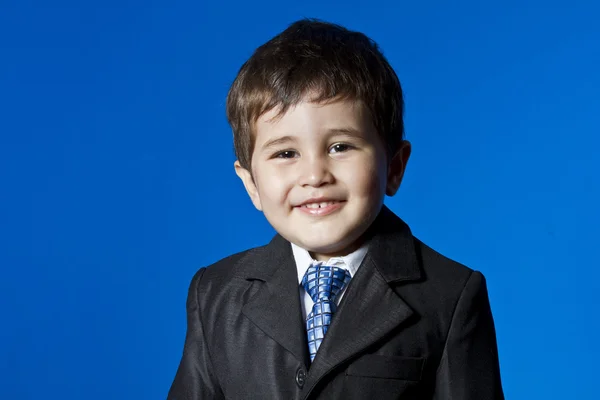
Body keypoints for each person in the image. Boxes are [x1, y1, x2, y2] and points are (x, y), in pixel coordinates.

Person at [168, 19, 504, 400]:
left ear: (394, 166)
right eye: (285, 153)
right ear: (251, 185)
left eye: (340, 146)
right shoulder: (215, 292)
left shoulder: (450, 295)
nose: (314, 175)